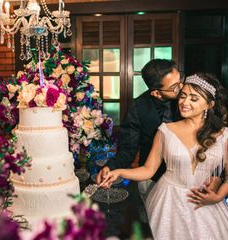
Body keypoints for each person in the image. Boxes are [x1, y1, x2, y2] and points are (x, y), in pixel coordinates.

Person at [100, 73, 228, 239]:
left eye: (194, 99)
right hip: (168, 201)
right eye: (183, 96)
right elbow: (148, 170)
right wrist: (118, 172)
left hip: (205, 204)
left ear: (209, 105)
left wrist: (218, 196)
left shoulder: (224, 135)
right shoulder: (165, 130)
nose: (185, 102)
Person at [96, 59, 183, 200]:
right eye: (174, 87)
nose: (182, 87)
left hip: (185, 180)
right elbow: (128, 149)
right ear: (156, 93)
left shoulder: (188, 101)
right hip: (152, 179)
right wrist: (110, 167)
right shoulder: (137, 108)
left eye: (180, 80)